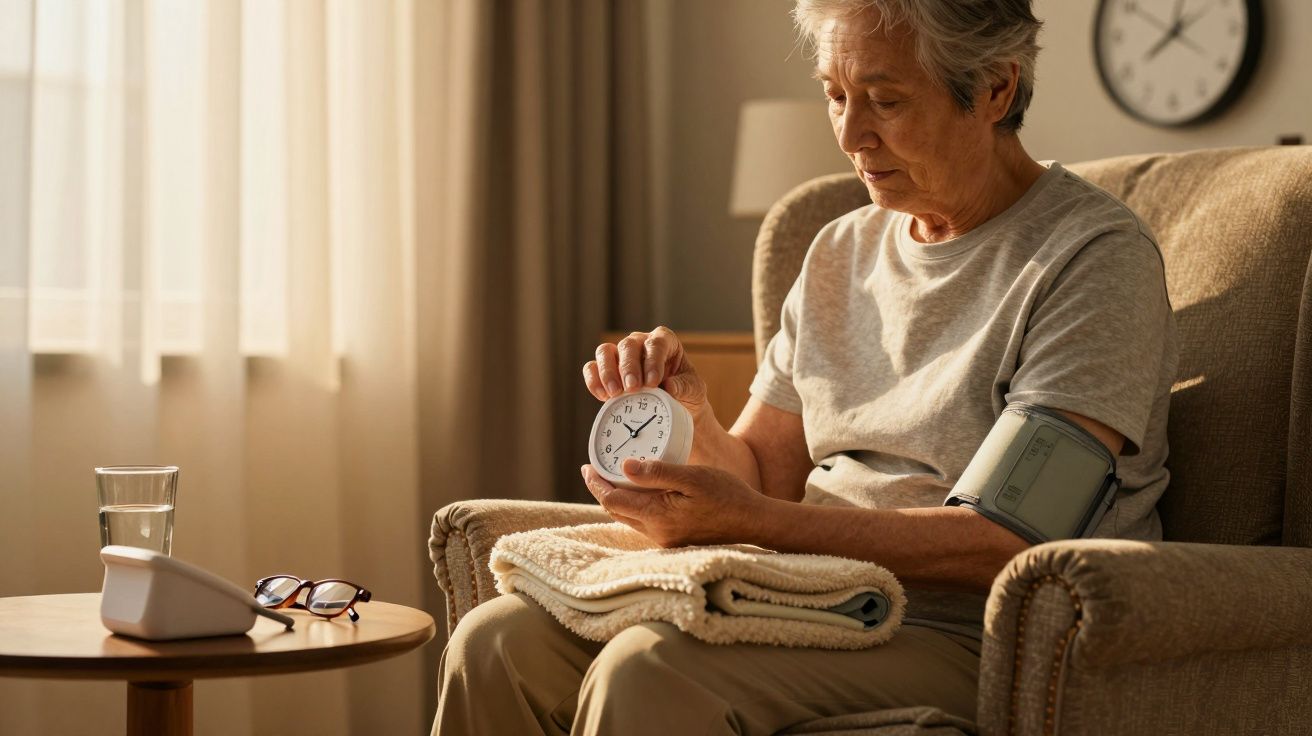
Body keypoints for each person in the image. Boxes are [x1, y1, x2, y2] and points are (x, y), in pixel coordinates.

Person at [433, 0, 1178, 733]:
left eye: (885, 100)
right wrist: (692, 414)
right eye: (835, 95)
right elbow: (762, 477)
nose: (852, 134)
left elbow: (1009, 538)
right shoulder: (840, 252)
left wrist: (758, 522)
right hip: (813, 597)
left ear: (994, 89)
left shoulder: (1091, 260)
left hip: (970, 632)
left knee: (650, 671)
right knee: (498, 642)